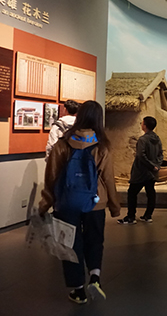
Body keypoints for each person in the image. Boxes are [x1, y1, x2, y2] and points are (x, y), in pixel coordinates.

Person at [39, 100, 120, 304]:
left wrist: (45, 204)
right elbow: (108, 179)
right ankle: (95, 277)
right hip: (95, 202)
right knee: (95, 240)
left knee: (70, 244)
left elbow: (51, 177)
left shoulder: (62, 144)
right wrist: (114, 205)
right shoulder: (102, 145)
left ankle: (78, 290)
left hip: (67, 203)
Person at [118, 116, 163, 225]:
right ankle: (148, 215)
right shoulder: (157, 139)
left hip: (141, 171)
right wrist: (156, 166)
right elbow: (160, 154)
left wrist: (151, 166)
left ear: (145, 126)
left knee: (132, 193)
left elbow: (141, 155)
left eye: (142, 123)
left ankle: (131, 216)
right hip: (152, 172)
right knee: (150, 193)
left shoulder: (143, 140)